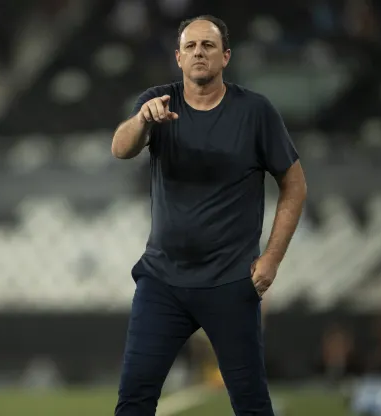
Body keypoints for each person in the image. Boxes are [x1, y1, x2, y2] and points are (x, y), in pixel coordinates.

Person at [110, 15, 307, 416]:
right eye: (191, 46)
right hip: (162, 281)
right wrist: (142, 119)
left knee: (251, 405)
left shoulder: (255, 111)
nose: (199, 52)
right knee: (133, 400)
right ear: (178, 58)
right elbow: (120, 148)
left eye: (208, 45)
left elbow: (295, 184)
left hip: (230, 282)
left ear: (225, 56)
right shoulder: (157, 102)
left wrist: (271, 259)